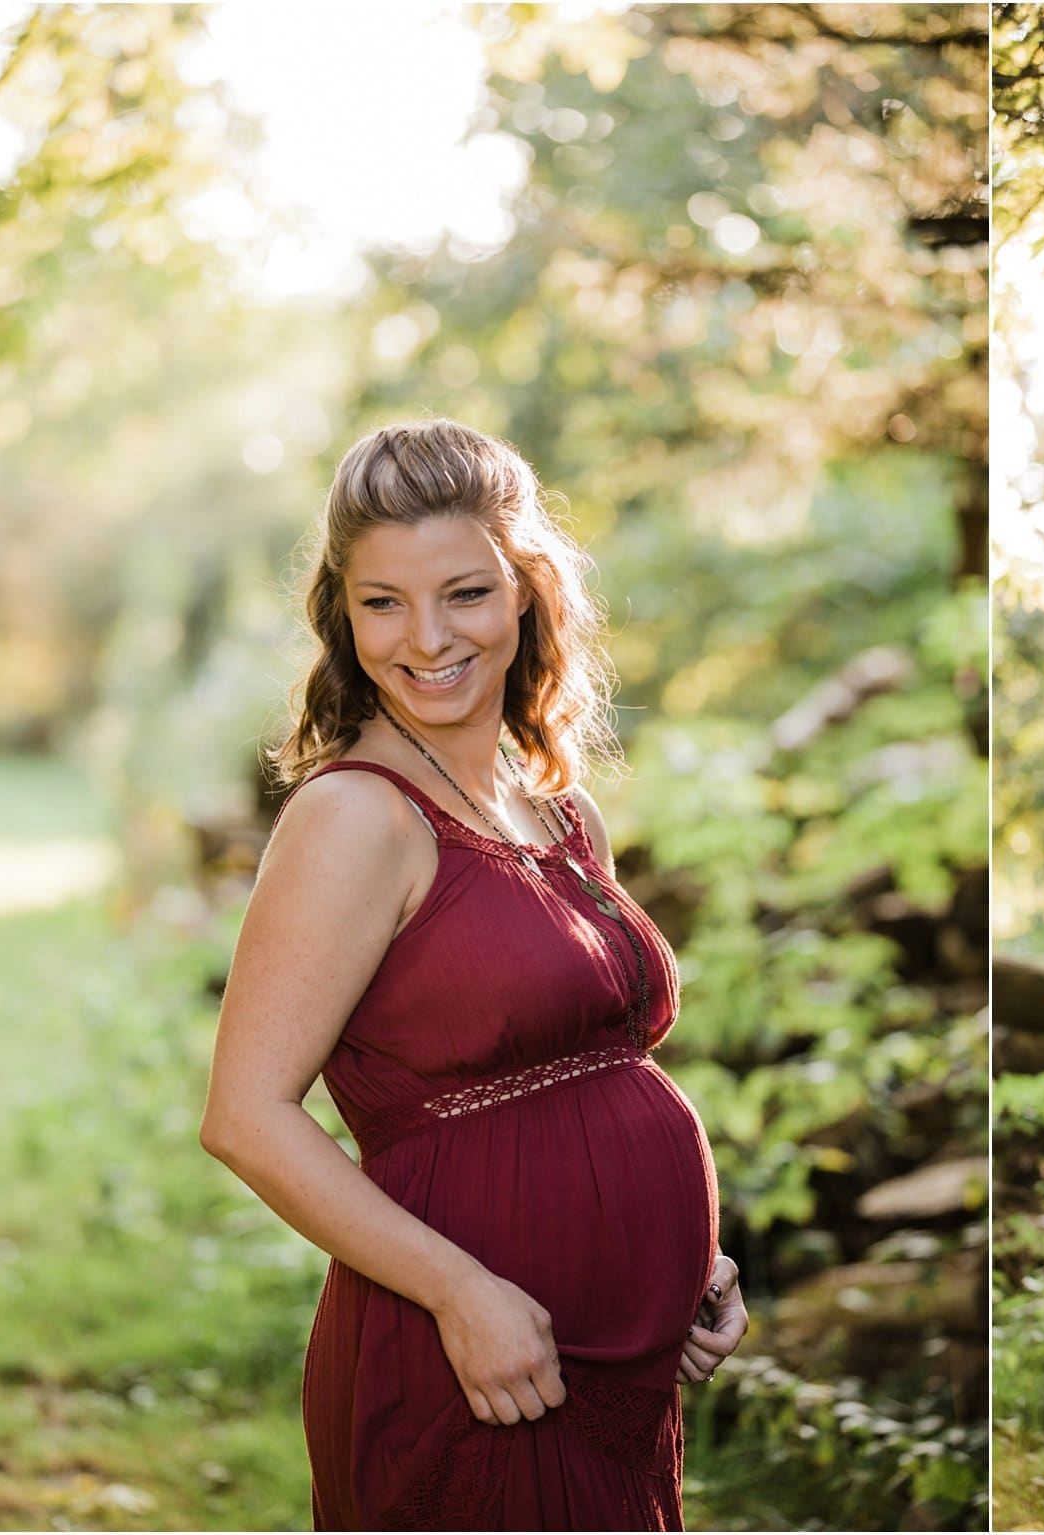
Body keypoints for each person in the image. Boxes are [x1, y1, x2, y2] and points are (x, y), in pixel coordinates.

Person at [200, 420, 748, 1531]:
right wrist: (459, 1290)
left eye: (463, 592)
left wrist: (688, 1256)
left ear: (526, 592)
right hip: (475, 1356)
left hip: (616, 1357)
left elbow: (588, 1075)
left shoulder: (558, 811)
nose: (425, 638)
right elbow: (245, 1117)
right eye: (382, 602)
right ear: (342, 618)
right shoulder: (354, 817)